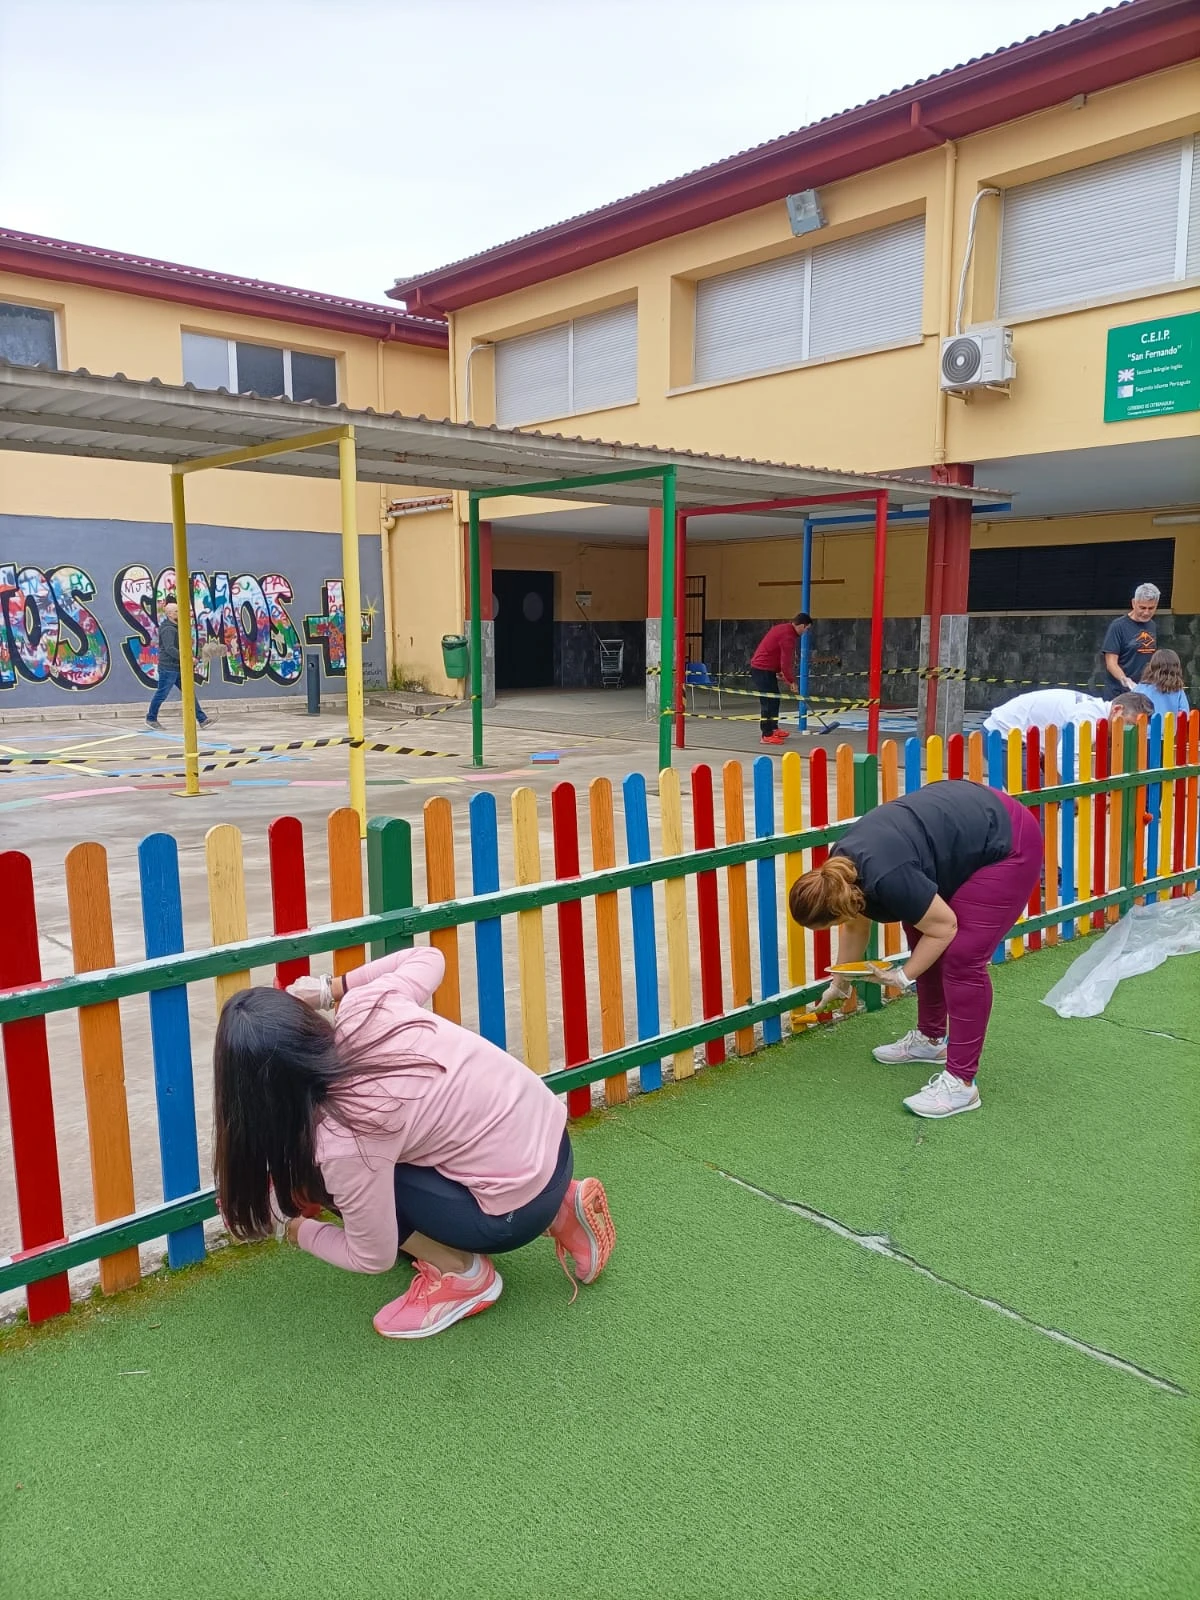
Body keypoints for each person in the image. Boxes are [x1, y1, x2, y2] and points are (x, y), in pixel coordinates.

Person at [212, 946, 615, 1340]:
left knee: (329, 1177)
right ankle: (561, 1208)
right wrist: (329, 989)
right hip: (554, 1147)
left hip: (512, 1215)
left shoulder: (343, 1134)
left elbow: (372, 1255)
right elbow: (429, 957)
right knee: (392, 1152)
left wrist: (297, 1228)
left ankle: (461, 1273)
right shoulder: (367, 1005)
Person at [788, 780, 1042, 1120]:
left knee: (961, 958)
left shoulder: (885, 876)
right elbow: (855, 923)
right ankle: (931, 1039)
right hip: (965, 830)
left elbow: (944, 927)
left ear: (837, 907)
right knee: (920, 924)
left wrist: (901, 977)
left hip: (1007, 841)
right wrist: (840, 983)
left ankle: (962, 1084)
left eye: (828, 926)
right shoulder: (839, 873)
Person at [983, 688, 1152, 740]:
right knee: (1039, 799)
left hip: (1028, 738)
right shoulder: (1089, 718)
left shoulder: (1096, 711)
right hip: (1003, 733)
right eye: (1129, 723)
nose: (1129, 730)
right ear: (1117, 709)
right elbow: (1068, 756)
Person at [146, 598, 212, 729]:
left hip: (178, 667)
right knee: (162, 694)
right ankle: (151, 718)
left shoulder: (176, 627)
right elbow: (170, 649)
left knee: (189, 693)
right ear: (169, 614)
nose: (179, 613)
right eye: (176, 611)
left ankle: (202, 719)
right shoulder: (168, 629)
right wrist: (187, 659)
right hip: (168, 668)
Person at [749, 613, 811, 745]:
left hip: (767, 669)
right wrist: (791, 681)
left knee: (775, 698)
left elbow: (775, 652)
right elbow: (786, 662)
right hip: (761, 669)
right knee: (768, 702)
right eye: (806, 629)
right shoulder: (788, 636)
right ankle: (766, 735)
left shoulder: (784, 629)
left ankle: (774, 728)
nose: (806, 632)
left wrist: (778, 671)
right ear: (801, 625)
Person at [1101, 583, 1159, 697]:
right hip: (1120, 692)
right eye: (1142, 607)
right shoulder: (1118, 626)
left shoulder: (1152, 625)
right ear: (1133, 603)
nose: (1146, 612)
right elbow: (1111, 663)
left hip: (1144, 691)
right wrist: (1126, 681)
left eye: (1151, 608)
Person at [1137, 649, 1190, 720]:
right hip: (1171, 730)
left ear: (1152, 666)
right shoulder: (1177, 691)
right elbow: (1185, 715)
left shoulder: (1140, 688)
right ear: (1176, 668)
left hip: (1146, 730)